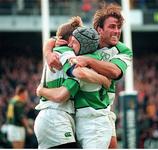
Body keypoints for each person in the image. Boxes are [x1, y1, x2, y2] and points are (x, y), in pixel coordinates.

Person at [44, 3, 133, 148]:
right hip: (84, 115)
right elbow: (58, 38)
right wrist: (49, 50)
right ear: (99, 30)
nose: (117, 31)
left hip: (103, 111)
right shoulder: (86, 39)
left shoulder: (123, 50)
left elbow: (115, 71)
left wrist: (88, 60)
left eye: (118, 27)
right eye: (112, 27)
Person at [34, 16, 110, 149]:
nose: (72, 44)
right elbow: (65, 90)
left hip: (53, 117)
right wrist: (104, 79)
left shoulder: (57, 51)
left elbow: (51, 41)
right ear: (69, 39)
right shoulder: (66, 52)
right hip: (55, 117)